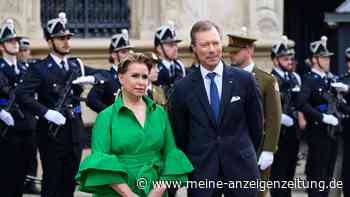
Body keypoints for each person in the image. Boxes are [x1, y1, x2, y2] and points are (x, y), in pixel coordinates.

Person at [76, 52, 193, 197]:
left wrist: (158, 190)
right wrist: (129, 195)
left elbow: (170, 153)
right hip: (116, 192)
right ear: (121, 77)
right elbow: (101, 160)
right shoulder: (105, 117)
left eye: (144, 76)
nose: (141, 82)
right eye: (135, 76)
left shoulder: (159, 113)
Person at [168, 20, 264, 197]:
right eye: (205, 45)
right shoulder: (182, 89)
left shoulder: (245, 81)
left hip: (242, 173)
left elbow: (257, 128)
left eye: (215, 43)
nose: (212, 49)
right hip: (202, 174)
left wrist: (245, 155)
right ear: (194, 48)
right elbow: (180, 135)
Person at [15, 12, 104, 197]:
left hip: (74, 131)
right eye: (60, 38)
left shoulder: (75, 65)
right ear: (49, 42)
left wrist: (92, 78)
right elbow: (22, 94)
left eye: (67, 38)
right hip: (51, 133)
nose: (66, 42)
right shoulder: (39, 68)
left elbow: (106, 76)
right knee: (52, 181)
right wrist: (45, 112)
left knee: (69, 181)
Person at [227, 28, 282, 197]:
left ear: (250, 50)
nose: (232, 55)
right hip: (231, 148)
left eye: (236, 52)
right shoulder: (226, 77)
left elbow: (274, 117)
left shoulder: (266, 80)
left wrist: (269, 149)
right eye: (230, 52)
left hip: (257, 148)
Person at [297, 36, 349, 197]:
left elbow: (338, 104)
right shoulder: (309, 80)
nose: (327, 61)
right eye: (323, 58)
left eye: (327, 58)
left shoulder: (329, 79)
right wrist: (322, 117)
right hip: (318, 133)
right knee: (317, 176)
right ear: (314, 60)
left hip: (331, 134)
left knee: (327, 176)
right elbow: (301, 104)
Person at [0, 18, 37, 197]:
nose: (15, 44)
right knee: (6, 174)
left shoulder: (26, 69)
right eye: (9, 41)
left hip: (27, 125)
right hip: (5, 128)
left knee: (22, 173)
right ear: (1, 46)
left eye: (15, 40)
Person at [269, 36, 303, 197]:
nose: (288, 61)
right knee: (279, 173)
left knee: (289, 171)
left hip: (293, 131)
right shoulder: (271, 79)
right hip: (279, 132)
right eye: (284, 58)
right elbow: (267, 106)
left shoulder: (294, 77)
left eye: (290, 58)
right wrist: (280, 117)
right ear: (275, 61)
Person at [16, 37, 42, 194]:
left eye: (26, 50)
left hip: (32, 115)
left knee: (32, 150)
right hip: (18, 115)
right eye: (21, 50)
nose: (24, 53)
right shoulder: (16, 68)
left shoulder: (33, 68)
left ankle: (31, 181)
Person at [87, 29, 132, 113]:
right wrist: (111, 113)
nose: (128, 55)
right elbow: (91, 100)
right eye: (123, 52)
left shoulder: (132, 77)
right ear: (114, 54)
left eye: (129, 52)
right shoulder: (106, 76)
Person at [154, 21, 186, 96]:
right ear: (159, 48)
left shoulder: (179, 66)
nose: (175, 48)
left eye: (175, 45)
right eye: (171, 45)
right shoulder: (155, 67)